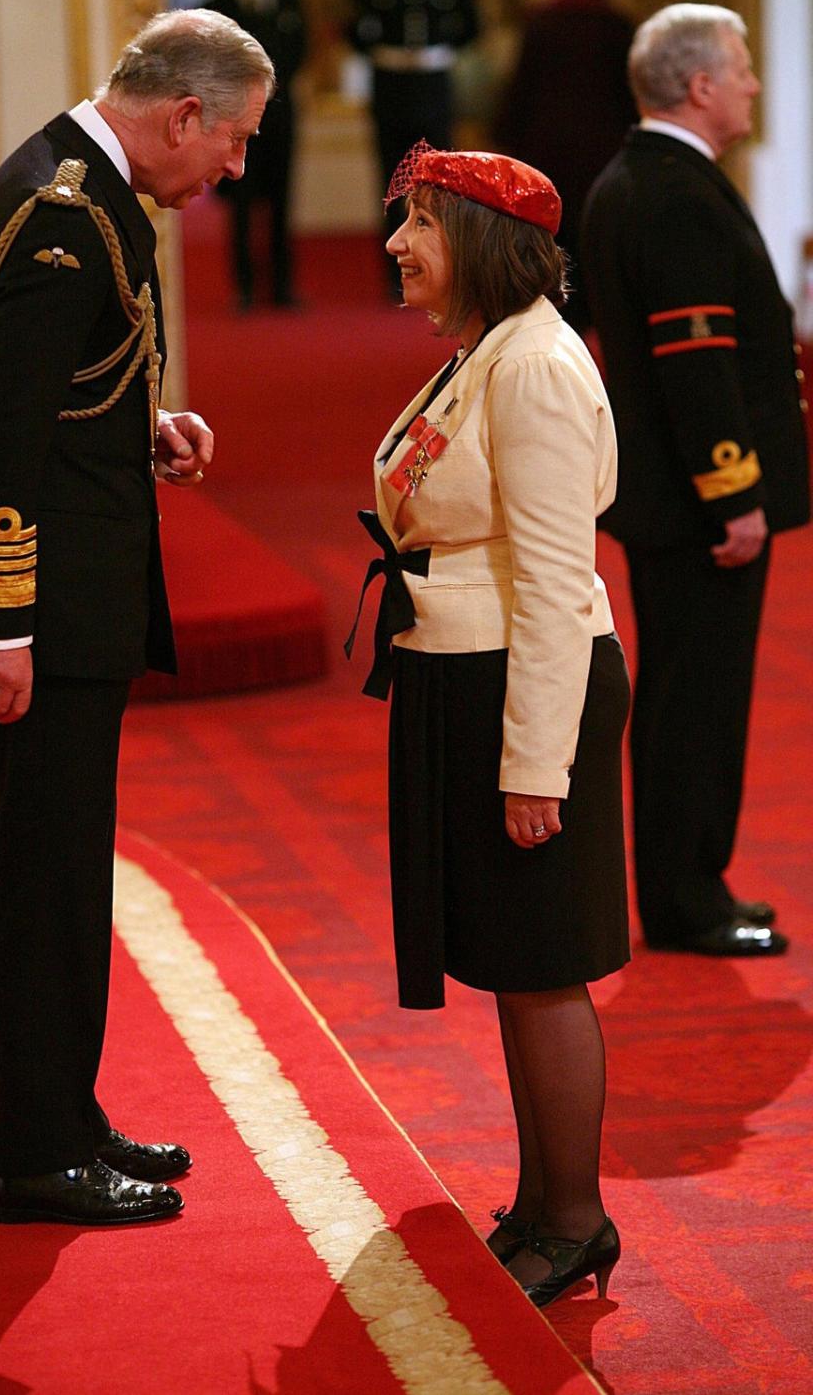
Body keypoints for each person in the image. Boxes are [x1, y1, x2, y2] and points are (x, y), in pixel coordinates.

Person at [0, 9, 275, 1225]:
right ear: (184, 115)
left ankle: (64, 1115)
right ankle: (31, 1156)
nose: (234, 169)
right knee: (50, 883)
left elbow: (60, 393)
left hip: (71, 600)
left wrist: (142, 429)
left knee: (66, 874)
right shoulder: (64, 218)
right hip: (44, 615)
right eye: (234, 141)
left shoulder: (94, 195)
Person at [346, 140, 631, 1306]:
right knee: (517, 960)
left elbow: (563, 581)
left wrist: (537, 766)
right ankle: (540, 1201)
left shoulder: (537, 369)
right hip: (467, 666)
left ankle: (576, 1218)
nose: (395, 245)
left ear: (477, 239)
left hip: (529, 679)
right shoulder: (485, 354)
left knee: (546, 962)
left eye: (417, 221)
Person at [581, 4, 810, 957]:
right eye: (745, 69)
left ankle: (693, 883)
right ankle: (686, 900)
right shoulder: (673, 192)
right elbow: (695, 359)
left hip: (667, 498)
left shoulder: (642, 178)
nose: (756, 85)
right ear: (701, 85)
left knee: (690, 695)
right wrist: (735, 493)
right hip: (696, 503)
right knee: (694, 701)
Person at [494, 0, 636, 334]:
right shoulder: (615, 26)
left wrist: (510, 146)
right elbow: (628, 97)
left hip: (547, 156)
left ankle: (549, 326)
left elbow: (521, 90)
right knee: (595, 245)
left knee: (552, 243)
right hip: (601, 158)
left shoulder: (541, 22)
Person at [345, 0, 479, 281]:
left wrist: (441, 49)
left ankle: (438, 260)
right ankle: (395, 270)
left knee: (439, 178)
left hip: (434, 83)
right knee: (392, 177)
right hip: (391, 84)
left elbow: (471, 24)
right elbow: (351, 26)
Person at [206, 0, 308, 309]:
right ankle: (244, 288)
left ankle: (282, 286)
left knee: (283, 202)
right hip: (234, 120)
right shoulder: (220, 7)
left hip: (281, 117)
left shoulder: (291, 2)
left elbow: (298, 54)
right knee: (242, 204)